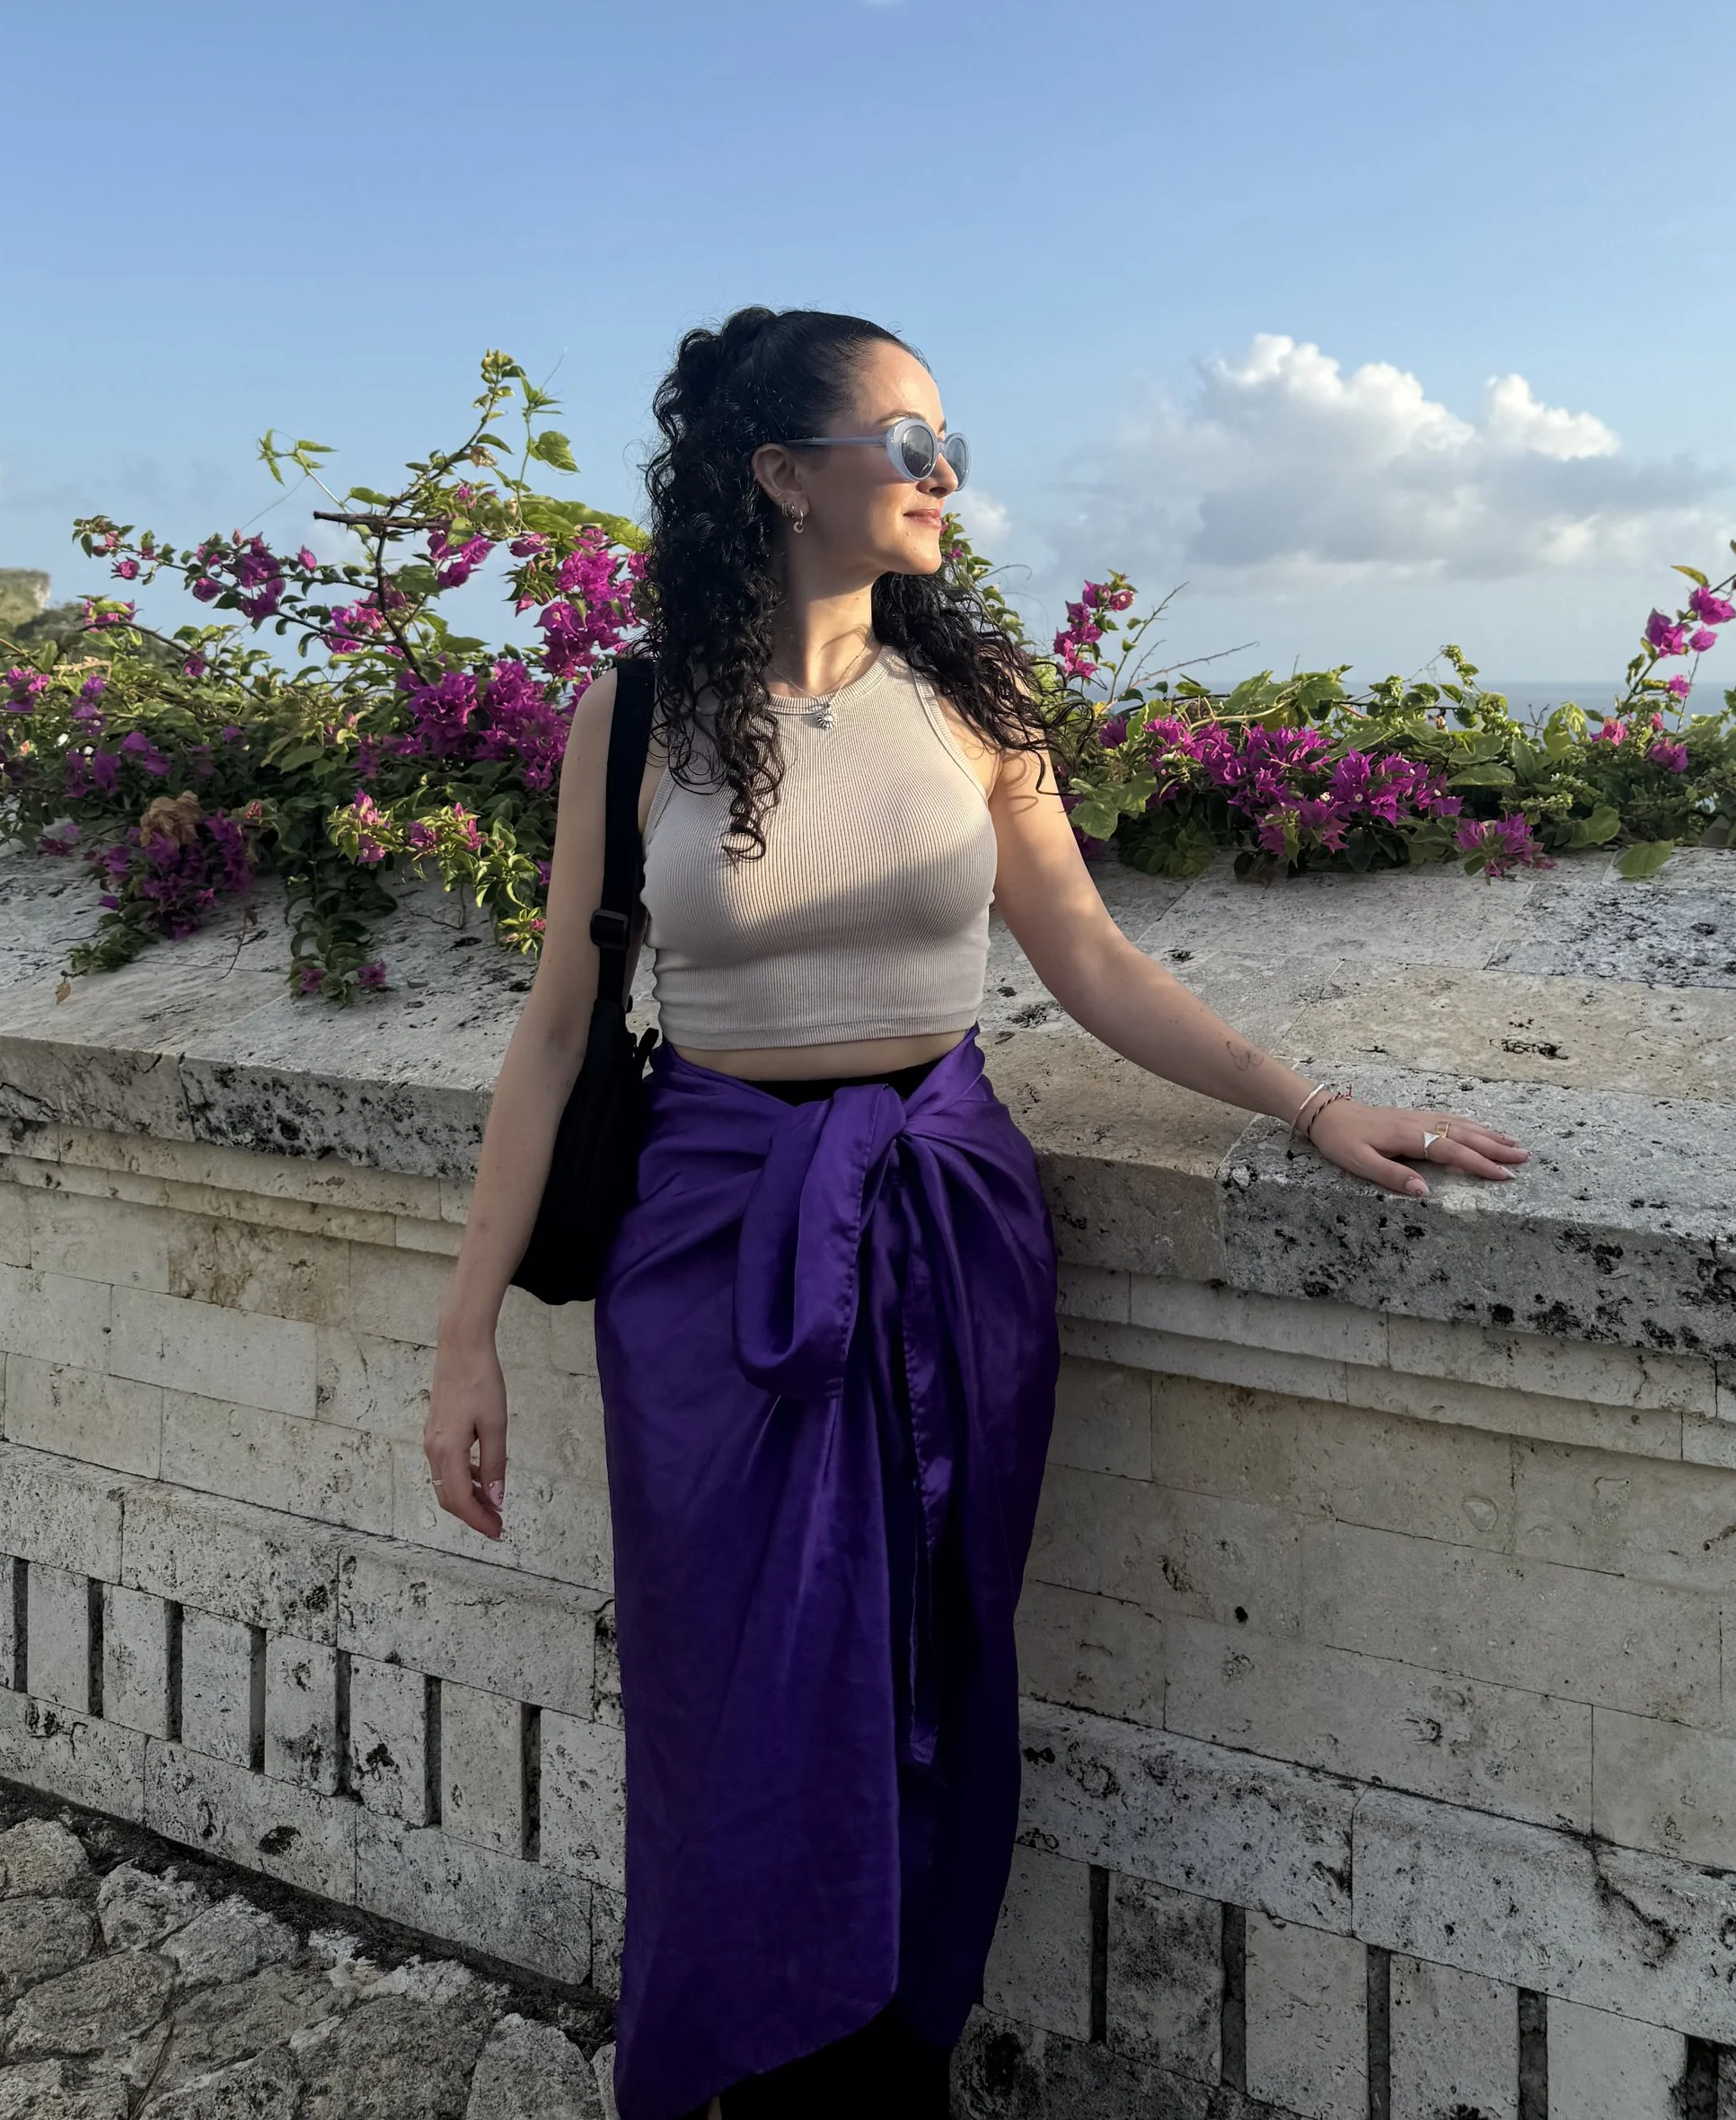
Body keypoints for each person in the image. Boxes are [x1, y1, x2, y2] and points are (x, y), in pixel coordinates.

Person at [422, 307, 1529, 2117]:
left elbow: (1085, 954)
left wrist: (1314, 1104)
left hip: (945, 1225)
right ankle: (750, 2069)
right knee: (735, 1693)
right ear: (780, 473)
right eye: (907, 439)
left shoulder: (969, 704)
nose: (947, 475)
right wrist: (465, 1334)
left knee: (932, 1668)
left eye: (948, 439)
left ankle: (887, 2069)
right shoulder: (630, 715)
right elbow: (555, 1029)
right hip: (707, 1254)